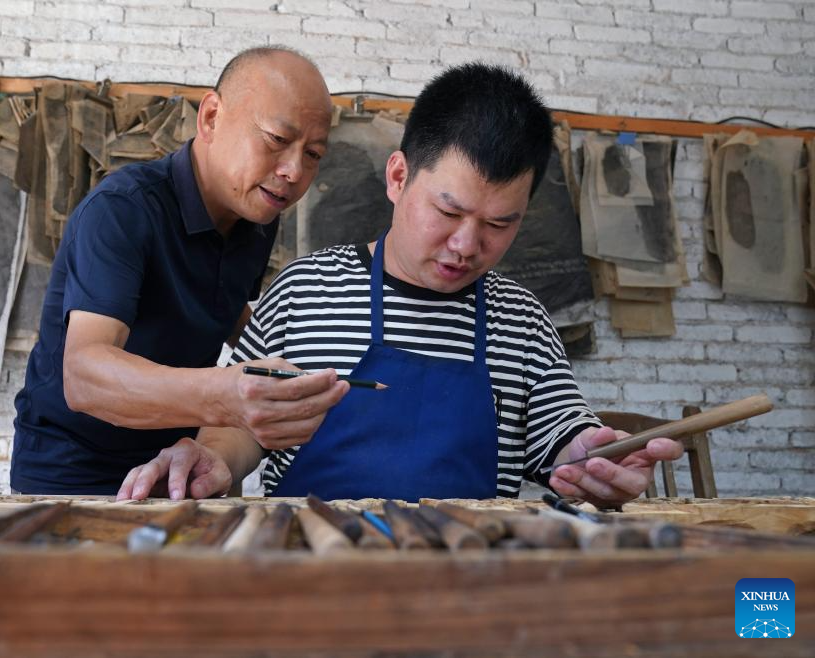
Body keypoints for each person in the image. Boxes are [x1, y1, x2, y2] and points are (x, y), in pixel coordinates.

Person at [116, 63, 683, 507]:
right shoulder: (304, 291)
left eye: (498, 224)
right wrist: (212, 459)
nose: (466, 245)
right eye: (448, 211)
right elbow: (238, 431)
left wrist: (590, 455)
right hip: (313, 583)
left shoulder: (523, 320)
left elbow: (560, 435)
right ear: (398, 177)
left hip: (467, 594)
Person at [10, 47, 350, 495]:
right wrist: (226, 394)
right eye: (276, 140)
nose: (293, 171)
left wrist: (296, 360)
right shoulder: (123, 210)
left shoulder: (255, 215)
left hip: (175, 466)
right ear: (210, 117)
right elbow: (85, 376)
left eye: (313, 154)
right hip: (70, 471)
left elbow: (216, 308)